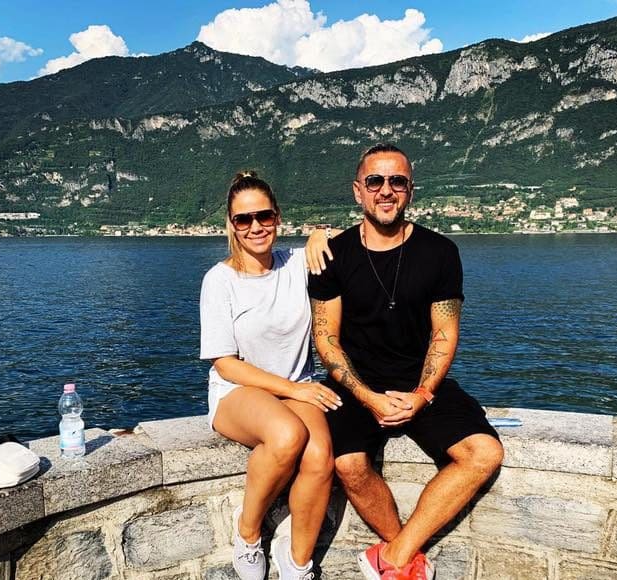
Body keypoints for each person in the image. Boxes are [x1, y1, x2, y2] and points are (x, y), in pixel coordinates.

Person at [308, 144, 504, 580]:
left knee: (484, 452)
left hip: (421, 381)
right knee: (348, 463)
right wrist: (367, 397)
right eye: (375, 181)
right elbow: (326, 338)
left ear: (410, 190)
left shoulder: (440, 252)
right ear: (358, 190)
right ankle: (406, 558)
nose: (386, 190)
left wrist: (423, 393)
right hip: (355, 385)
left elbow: (444, 333)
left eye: (397, 181)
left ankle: (394, 558)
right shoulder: (331, 256)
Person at [199, 172, 341, 580]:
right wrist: (294, 389)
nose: (255, 226)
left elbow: (358, 239)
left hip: (296, 389)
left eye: (264, 216)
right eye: (243, 219)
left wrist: (321, 233)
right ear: (231, 225)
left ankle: (297, 562)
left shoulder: (297, 263)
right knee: (286, 435)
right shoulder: (220, 281)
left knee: (320, 457)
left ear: (278, 217)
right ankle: (248, 533)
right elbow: (225, 363)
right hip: (237, 391)